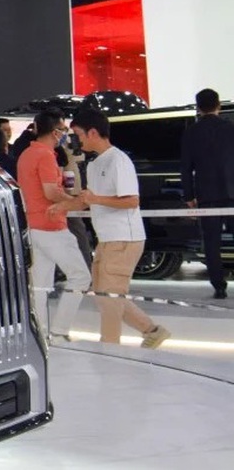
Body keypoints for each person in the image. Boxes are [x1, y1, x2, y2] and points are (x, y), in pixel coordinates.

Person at [71, 108, 171, 348]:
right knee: (105, 295)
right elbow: (89, 199)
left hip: (124, 238)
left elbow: (131, 200)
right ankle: (152, 331)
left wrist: (95, 199)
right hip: (107, 238)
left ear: (92, 132)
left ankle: (109, 348)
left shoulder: (119, 160)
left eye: (78, 135)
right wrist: (62, 206)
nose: (77, 140)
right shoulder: (94, 164)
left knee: (110, 298)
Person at [16, 109, 91, 342]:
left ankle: (39, 332)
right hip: (51, 226)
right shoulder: (45, 155)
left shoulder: (27, 154)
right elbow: (50, 191)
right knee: (80, 276)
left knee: (40, 284)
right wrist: (75, 201)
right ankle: (59, 330)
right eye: (63, 129)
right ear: (56, 131)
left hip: (33, 225)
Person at [180, 88, 234, 299]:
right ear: (218, 105)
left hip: (207, 195)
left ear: (198, 108)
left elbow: (186, 167)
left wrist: (189, 196)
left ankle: (219, 286)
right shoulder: (230, 128)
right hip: (232, 193)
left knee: (212, 242)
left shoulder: (191, 132)